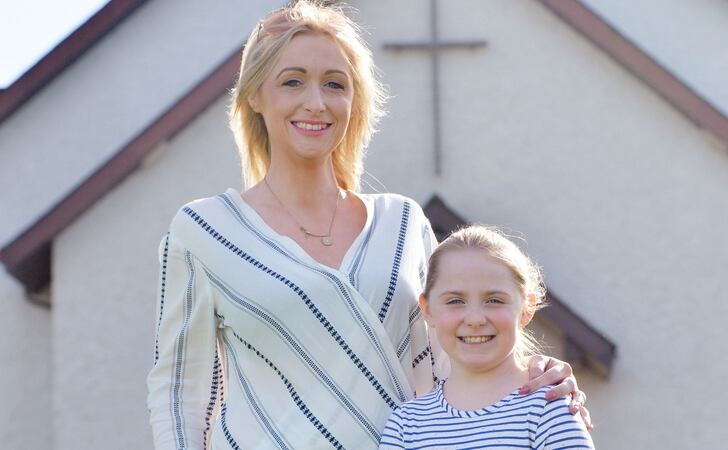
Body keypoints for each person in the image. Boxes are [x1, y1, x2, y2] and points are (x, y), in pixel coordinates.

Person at [146, 1, 589, 448]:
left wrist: (533, 379)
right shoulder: (204, 230)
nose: (315, 103)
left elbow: (448, 363)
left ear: (354, 100)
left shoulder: (402, 223)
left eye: (334, 84)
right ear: (255, 95)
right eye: (292, 81)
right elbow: (179, 394)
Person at [379, 226, 594, 449]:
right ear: (428, 310)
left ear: (527, 307)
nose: (475, 319)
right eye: (455, 301)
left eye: (494, 300)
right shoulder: (406, 425)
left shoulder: (548, 408)